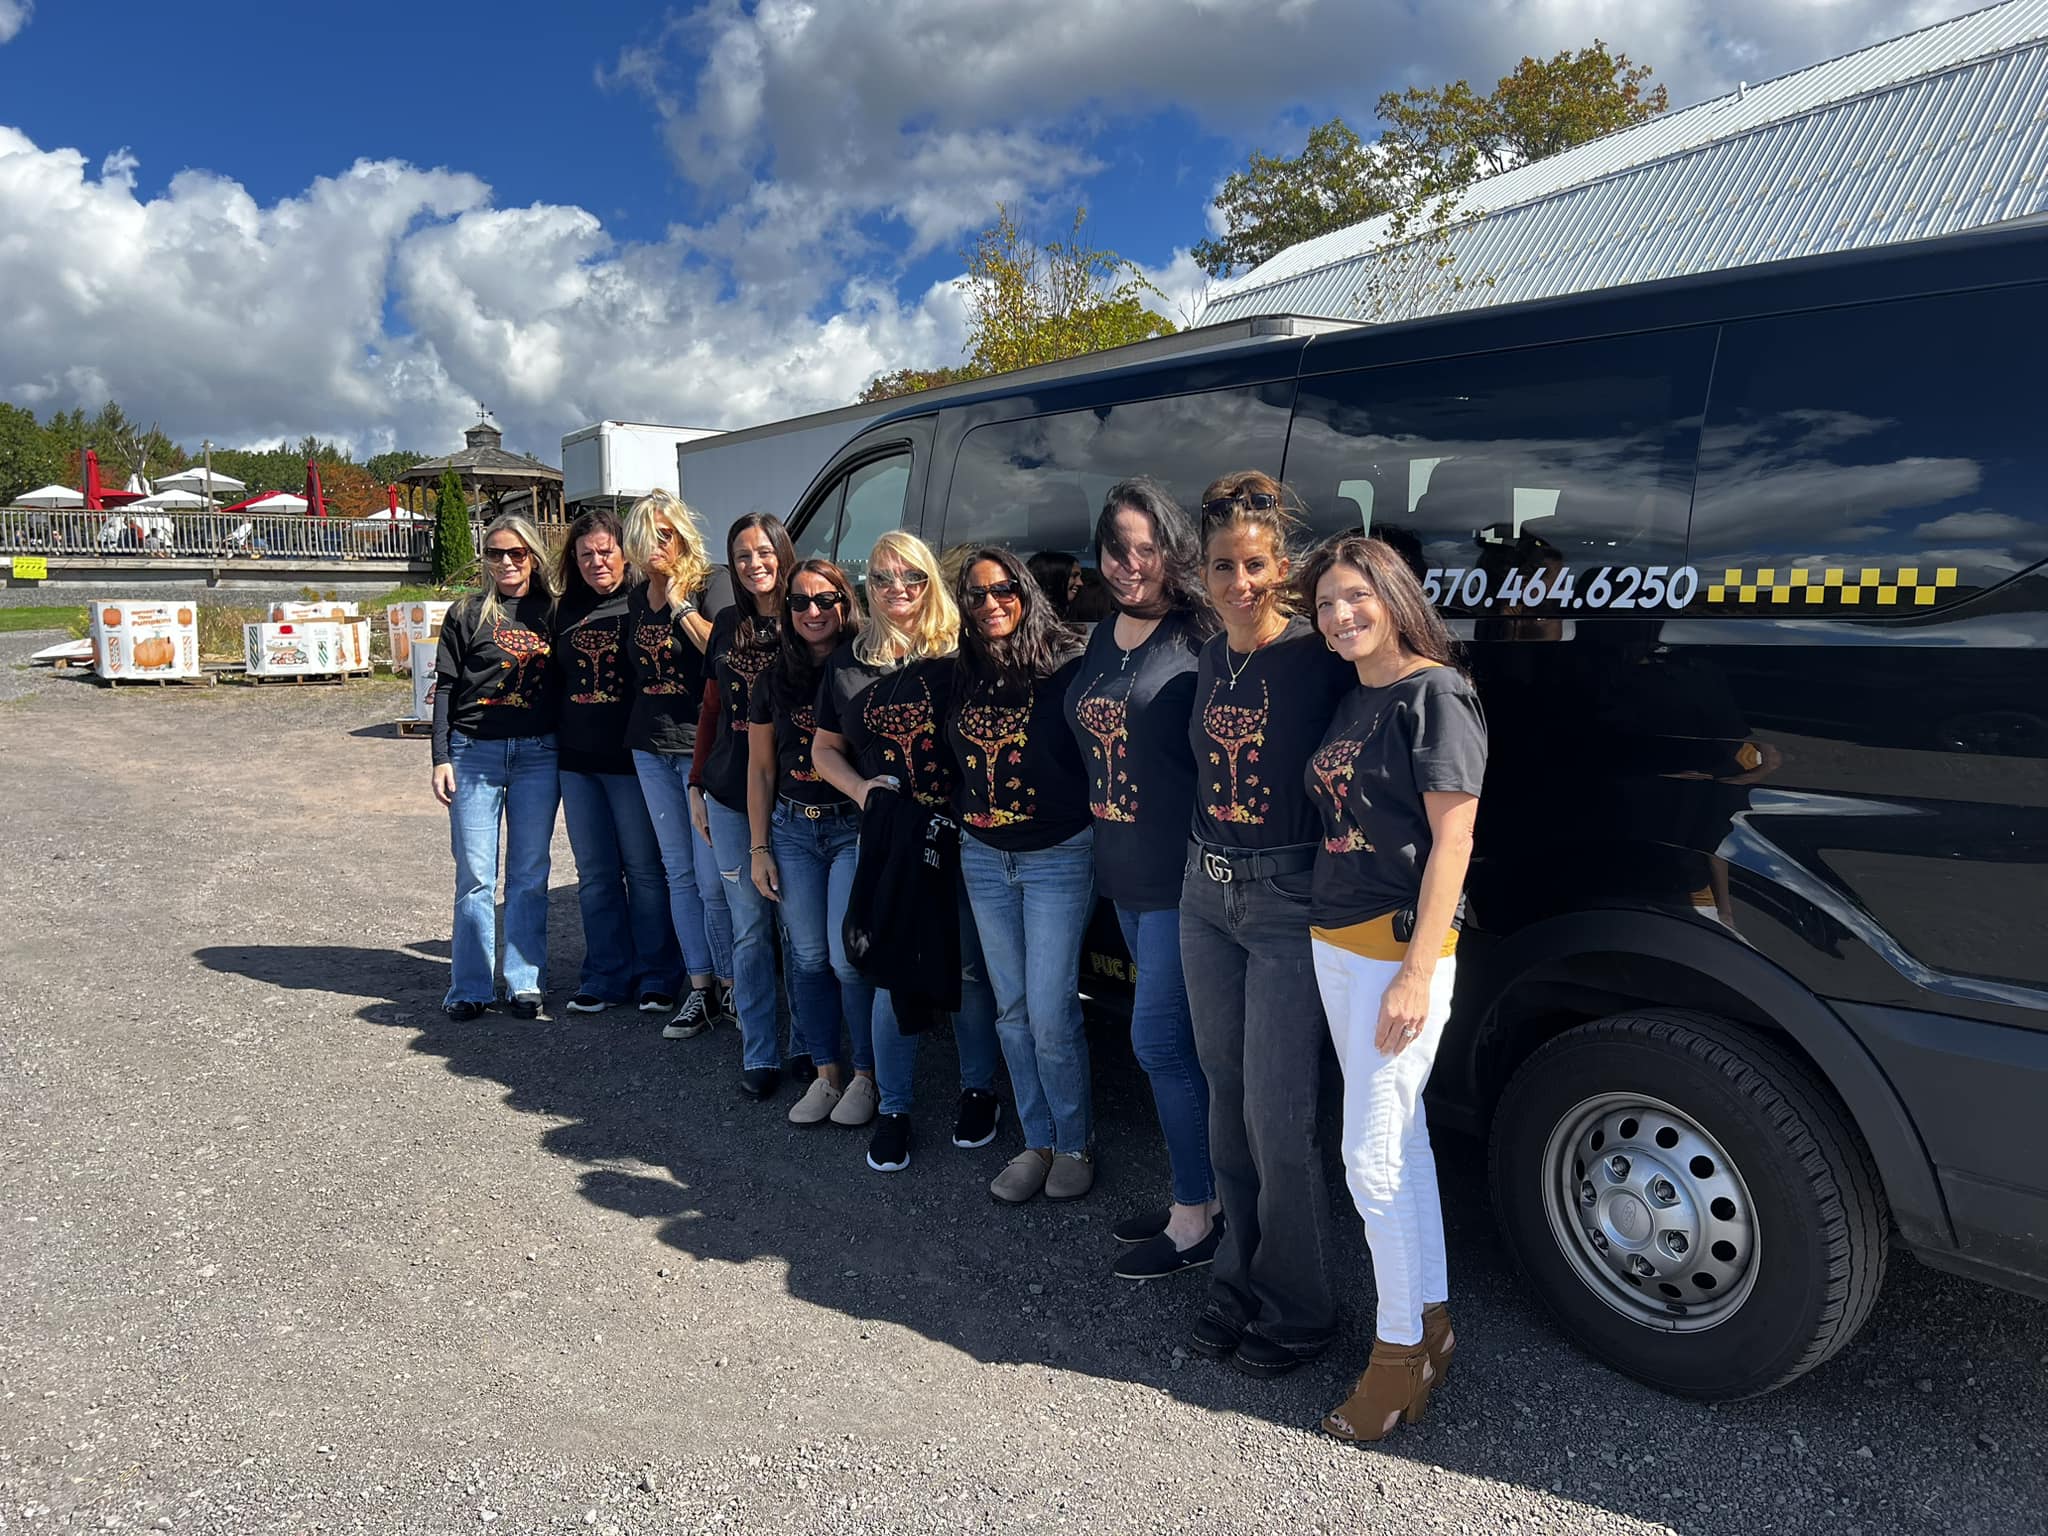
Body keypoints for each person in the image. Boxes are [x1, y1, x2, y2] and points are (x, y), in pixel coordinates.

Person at [1300, 534, 1485, 1444]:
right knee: (1401, 1148)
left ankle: (1395, 1354)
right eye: (1327, 603)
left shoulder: (1434, 694)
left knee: (1368, 1163)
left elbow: (1454, 841)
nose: (1339, 617)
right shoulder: (1357, 694)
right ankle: (1434, 1324)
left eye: (1354, 598)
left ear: (1393, 595)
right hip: (1336, 944)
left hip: (1395, 957)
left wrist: (1419, 971)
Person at [1179, 470, 1354, 1376]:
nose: (1238, 583)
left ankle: (1301, 1304)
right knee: (1225, 1103)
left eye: (1253, 566)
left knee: (1280, 1116)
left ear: (1280, 567)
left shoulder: (1317, 659)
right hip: (1205, 896)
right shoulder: (1213, 657)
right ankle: (1236, 1274)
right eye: (1221, 568)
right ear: (1202, 576)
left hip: (1286, 902)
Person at [1065, 479, 1222, 1281]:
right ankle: (1198, 1196)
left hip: (1181, 880)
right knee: (1176, 1049)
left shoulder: (1201, 636)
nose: (1130, 564)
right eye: (1116, 548)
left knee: (1157, 1040)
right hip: (1120, 878)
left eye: (1146, 547)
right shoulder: (1102, 637)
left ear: (1173, 550)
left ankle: (1196, 1218)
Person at [812, 530, 1003, 1174]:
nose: (899, 589)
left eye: (913, 577)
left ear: (931, 583)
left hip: (961, 832)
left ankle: (979, 1091)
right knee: (893, 967)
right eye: (885, 578)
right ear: (869, 585)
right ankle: (894, 1107)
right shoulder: (846, 664)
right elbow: (822, 750)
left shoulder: (964, 653)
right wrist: (862, 790)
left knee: (968, 969)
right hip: (890, 838)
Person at [948, 546, 1096, 1203]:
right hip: (982, 855)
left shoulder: (1068, 664)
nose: (990, 603)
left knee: (1051, 1009)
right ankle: (1035, 1141)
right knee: (1010, 1010)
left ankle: (1073, 1143)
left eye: (1003, 588)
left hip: (1058, 855)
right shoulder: (957, 671)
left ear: (1026, 589)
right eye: (975, 594)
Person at [748, 560, 878, 1128]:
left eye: (825, 600)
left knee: (847, 957)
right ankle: (827, 1074)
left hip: (851, 825)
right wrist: (758, 848)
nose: (813, 612)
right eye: (799, 603)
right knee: (806, 956)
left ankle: (867, 1077)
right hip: (794, 828)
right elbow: (760, 770)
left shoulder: (866, 666)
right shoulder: (773, 677)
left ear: (845, 603)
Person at [550, 508, 683, 1017]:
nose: (596, 561)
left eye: (605, 551)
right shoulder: (562, 612)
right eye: (585, 554)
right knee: (596, 873)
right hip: (577, 763)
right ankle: (605, 973)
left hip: (631, 761)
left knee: (646, 871)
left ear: (624, 553)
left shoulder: (638, 603)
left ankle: (658, 973)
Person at [430, 513, 561, 1021]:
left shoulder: (552, 612)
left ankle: (525, 981)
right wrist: (440, 756)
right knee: (476, 875)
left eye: (517, 553)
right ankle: (470, 985)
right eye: (495, 553)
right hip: (473, 752)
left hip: (538, 753)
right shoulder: (466, 613)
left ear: (533, 555)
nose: (506, 562)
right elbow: (444, 688)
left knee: (529, 874)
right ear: (484, 559)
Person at [691, 514, 796, 1098]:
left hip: (801, 797)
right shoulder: (727, 624)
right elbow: (709, 708)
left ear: (783, 552)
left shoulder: (811, 612)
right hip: (731, 794)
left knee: (800, 936)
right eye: (742, 556)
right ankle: (760, 1049)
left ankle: (809, 1045)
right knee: (750, 928)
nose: (755, 564)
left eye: (764, 552)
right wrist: (694, 783)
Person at [622, 491, 730, 1039]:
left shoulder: (712, 584)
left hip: (701, 748)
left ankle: (734, 986)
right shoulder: (637, 596)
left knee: (715, 881)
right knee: (679, 875)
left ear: (683, 534)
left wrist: (683, 604)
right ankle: (700, 987)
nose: (655, 546)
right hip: (651, 745)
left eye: (665, 534)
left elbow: (722, 655)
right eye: (645, 537)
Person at [1026, 550, 1084, 619]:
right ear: (1054, 578)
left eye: (1080, 577)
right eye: (1074, 576)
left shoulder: (1074, 613)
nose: (1080, 583)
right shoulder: (1032, 622)